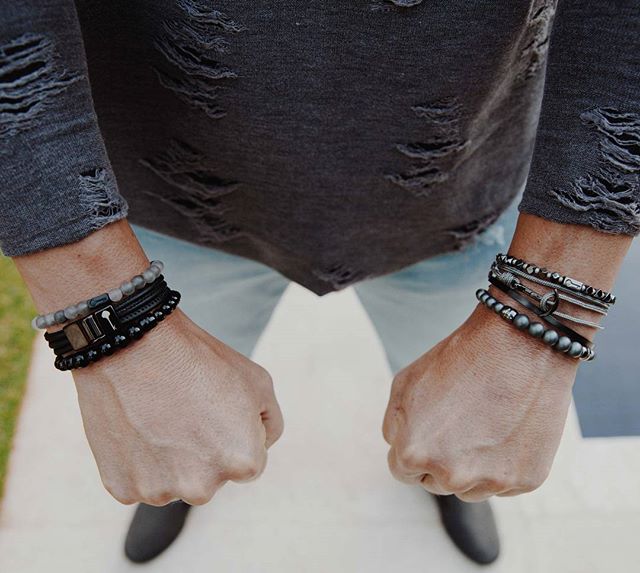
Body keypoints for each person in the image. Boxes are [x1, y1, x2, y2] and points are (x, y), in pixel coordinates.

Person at [1, 0, 637, 566]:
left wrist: (538, 331)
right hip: (172, 204)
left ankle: (447, 476)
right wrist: (114, 332)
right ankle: (179, 473)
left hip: (461, 195)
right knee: (171, 405)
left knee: (465, 411)